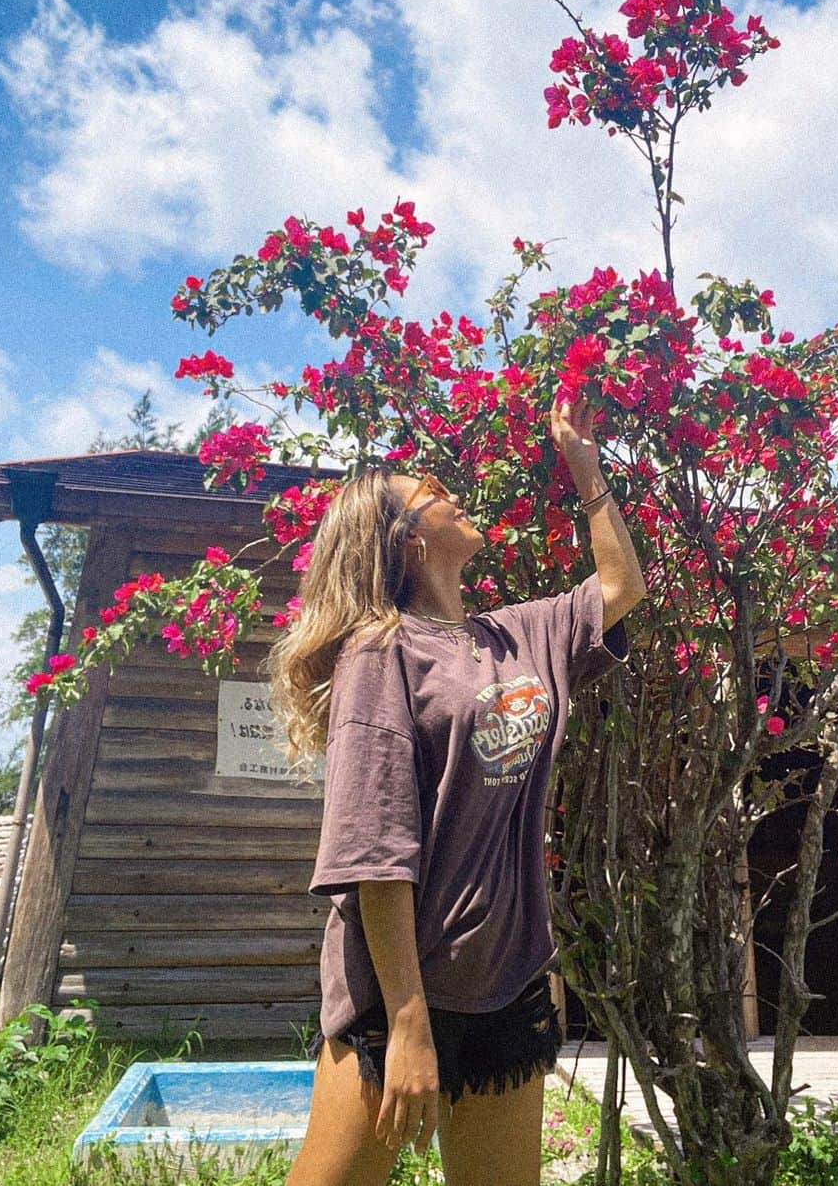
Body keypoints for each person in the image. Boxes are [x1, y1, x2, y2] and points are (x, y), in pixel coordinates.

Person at [274, 391, 647, 1186]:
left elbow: (621, 585)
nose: (449, 490)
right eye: (429, 494)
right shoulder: (382, 652)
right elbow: (375, 848)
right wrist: (409, 1024)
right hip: (400, 990)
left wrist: (585, 463)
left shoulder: (519, 634)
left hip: (504, 982)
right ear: (405, 544)